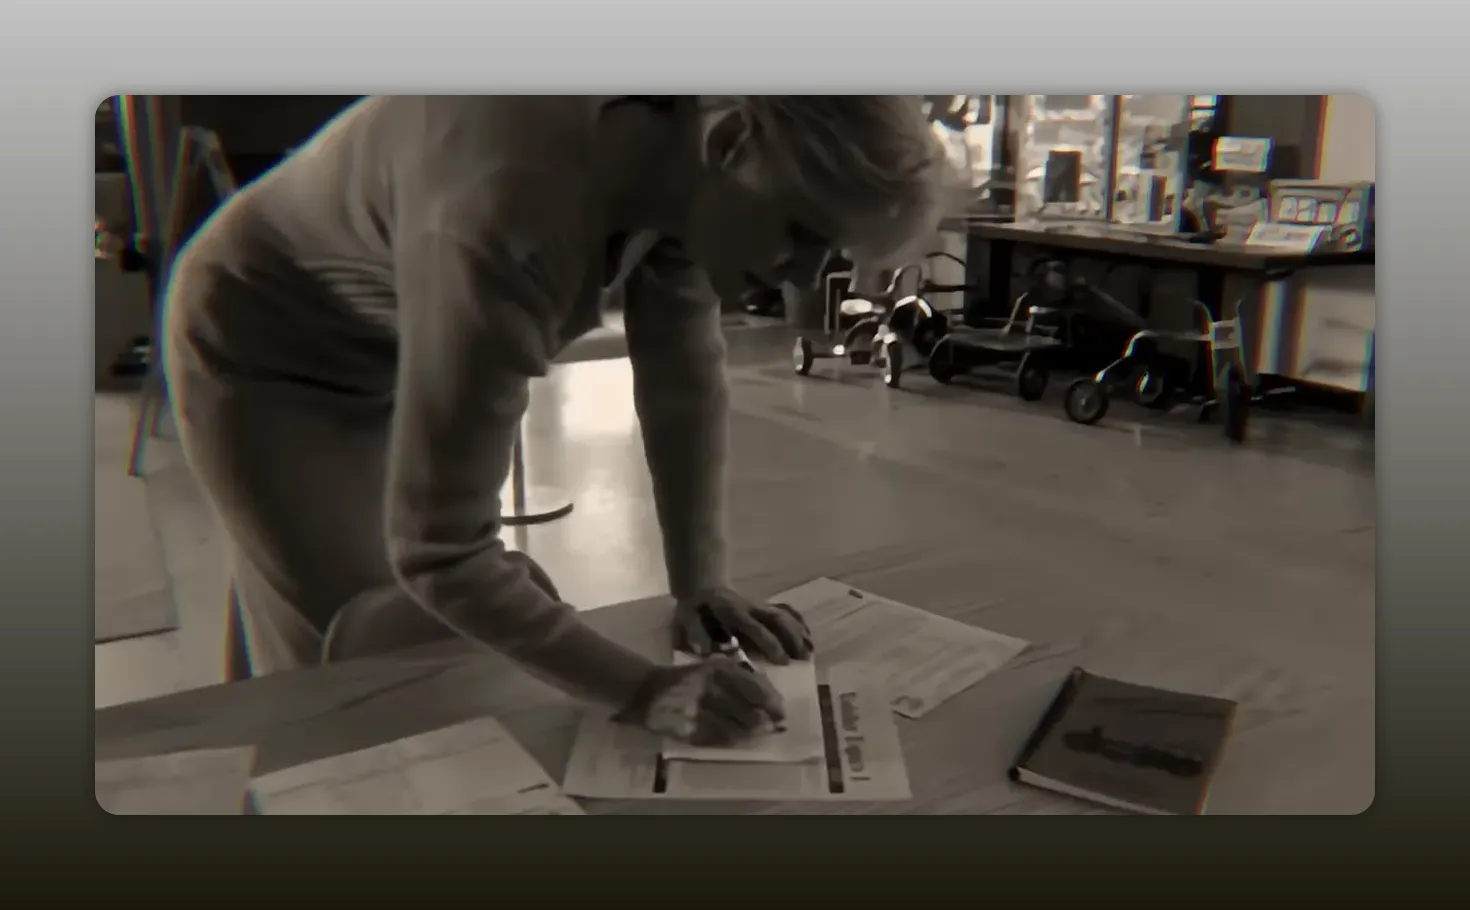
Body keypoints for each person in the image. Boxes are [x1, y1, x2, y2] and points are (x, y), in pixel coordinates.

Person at [162, 96, 954, 747]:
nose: (803, 281)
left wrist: (701, 582)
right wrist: (644, 691)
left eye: (833, 257)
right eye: (802, 236)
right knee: (347, 661)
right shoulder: (509, 204)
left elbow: (682, 376)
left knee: (297, 596)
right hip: (265, 347)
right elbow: (440, 551)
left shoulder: (696, 155)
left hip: (394, 336)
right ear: (735, 141)